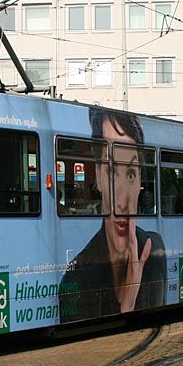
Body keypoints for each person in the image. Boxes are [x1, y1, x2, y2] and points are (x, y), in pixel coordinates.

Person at [59, 108, 166, 323]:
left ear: (140, 181)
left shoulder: (154, 251)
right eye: (111, 172)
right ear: (98, 176)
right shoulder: (77, 276)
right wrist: (127, 305)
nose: (121, 203)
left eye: (130, 173)